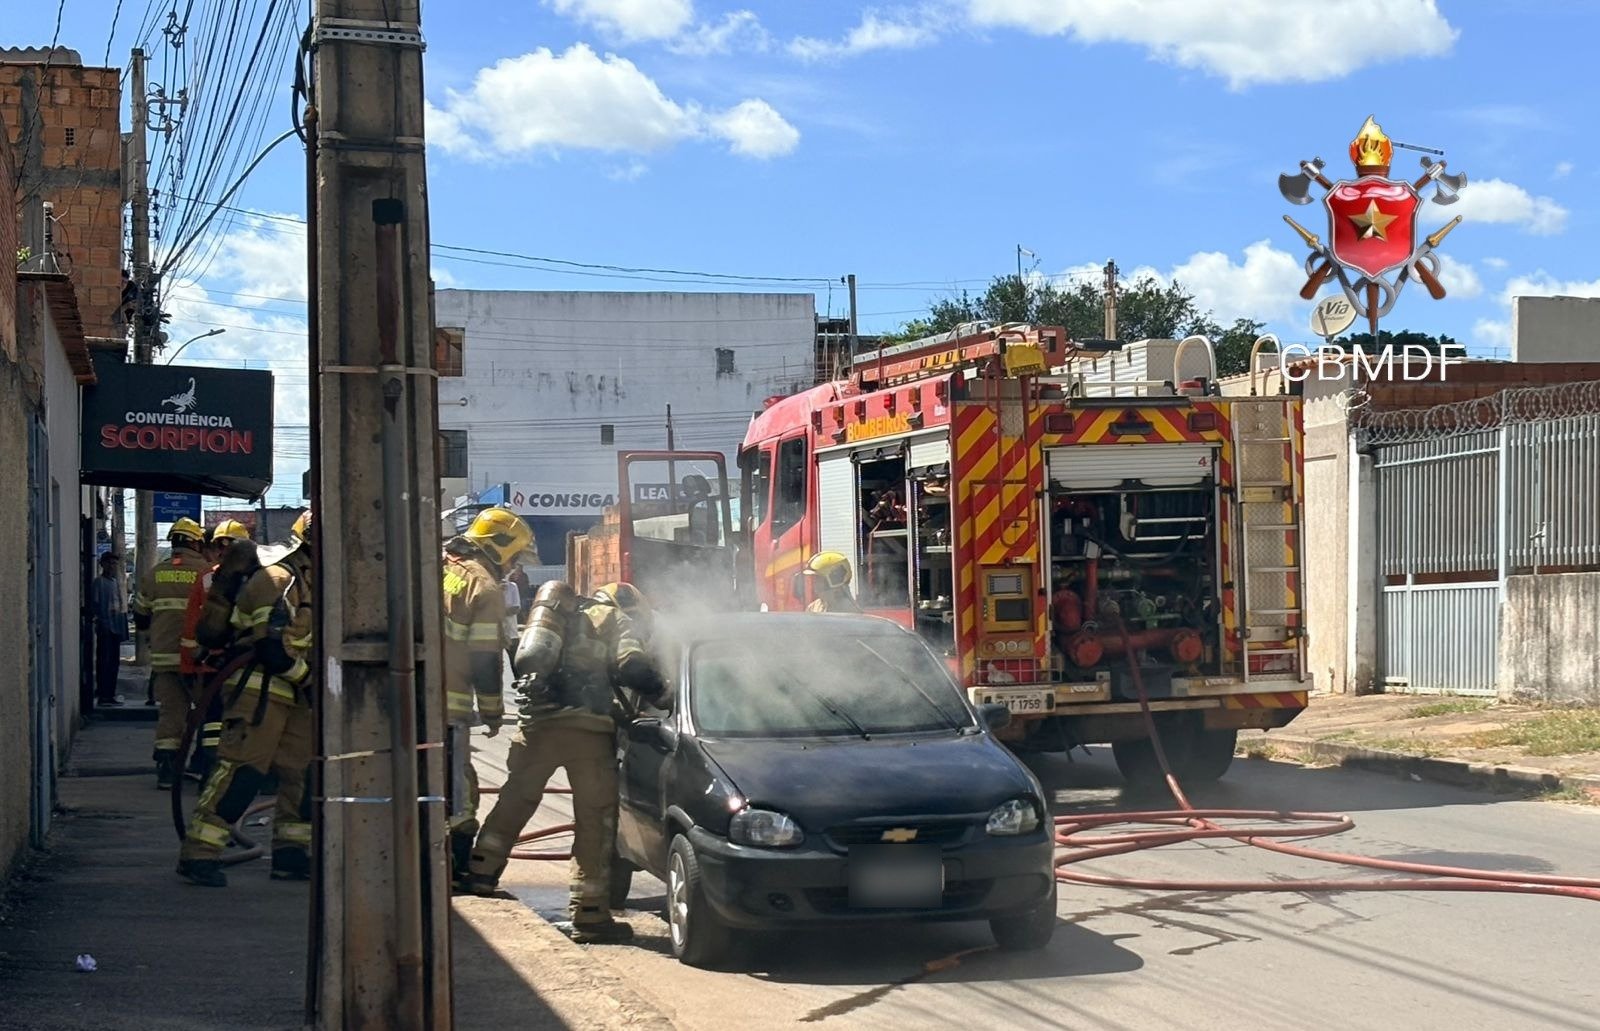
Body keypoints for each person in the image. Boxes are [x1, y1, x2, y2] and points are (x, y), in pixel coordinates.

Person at [464, 581, 664, 944]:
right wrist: (663, 692)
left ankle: (481, 872)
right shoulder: (615, 619)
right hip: (588, 733)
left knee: (515, 801)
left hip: (537, 728)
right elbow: (632, 666)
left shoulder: (559, 618)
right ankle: (590, 913)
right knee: (594, 821)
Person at [176, 510, 316, 888]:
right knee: (242, 772)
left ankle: (291, 854)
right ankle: (199, 854)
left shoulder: (311, 579)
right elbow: (271, 647)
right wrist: (308, 679)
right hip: (260, 691)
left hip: (295, 696)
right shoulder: (279, 578)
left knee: (302, 775)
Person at [440, 506, 533, 889]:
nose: (514, 566)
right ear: (499, 548)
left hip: (409, 697)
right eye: (515, 556)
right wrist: (494, 712)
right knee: (459, 791)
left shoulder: (441, 566)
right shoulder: (485, 588)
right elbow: (484, 659)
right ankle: (455, 866)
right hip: (449, 706)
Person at [131, 518, 210, 788]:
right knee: (207, 712)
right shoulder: (207, 572)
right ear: (195, 543)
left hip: (165, 660)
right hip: (199, 660)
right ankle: (204, 765)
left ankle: (167, 769)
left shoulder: (154, 574)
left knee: (171, 713)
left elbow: (141, 617)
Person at [177, 519, 254, 781]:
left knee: (215, 719)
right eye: (221, 546)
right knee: (233, 719)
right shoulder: (263, 576)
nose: (222, 551)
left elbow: (192, 626)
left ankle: (210, 769)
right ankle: (231, 771)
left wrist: (190, 665)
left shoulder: (208, 577)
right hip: (239, 664)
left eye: (224, 546)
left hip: (218, 664)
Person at [91, 552, 129, 707]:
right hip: (105, 628)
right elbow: (95, 605)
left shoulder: (114, 583)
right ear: (103, 564)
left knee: (114, 663)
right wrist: (102, 622)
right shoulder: (99, 582)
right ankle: (103, 694)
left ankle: (110, 693)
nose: (112, 567)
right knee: (104, 662)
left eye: (115, 564)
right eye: (110, 563)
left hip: (115, 628)